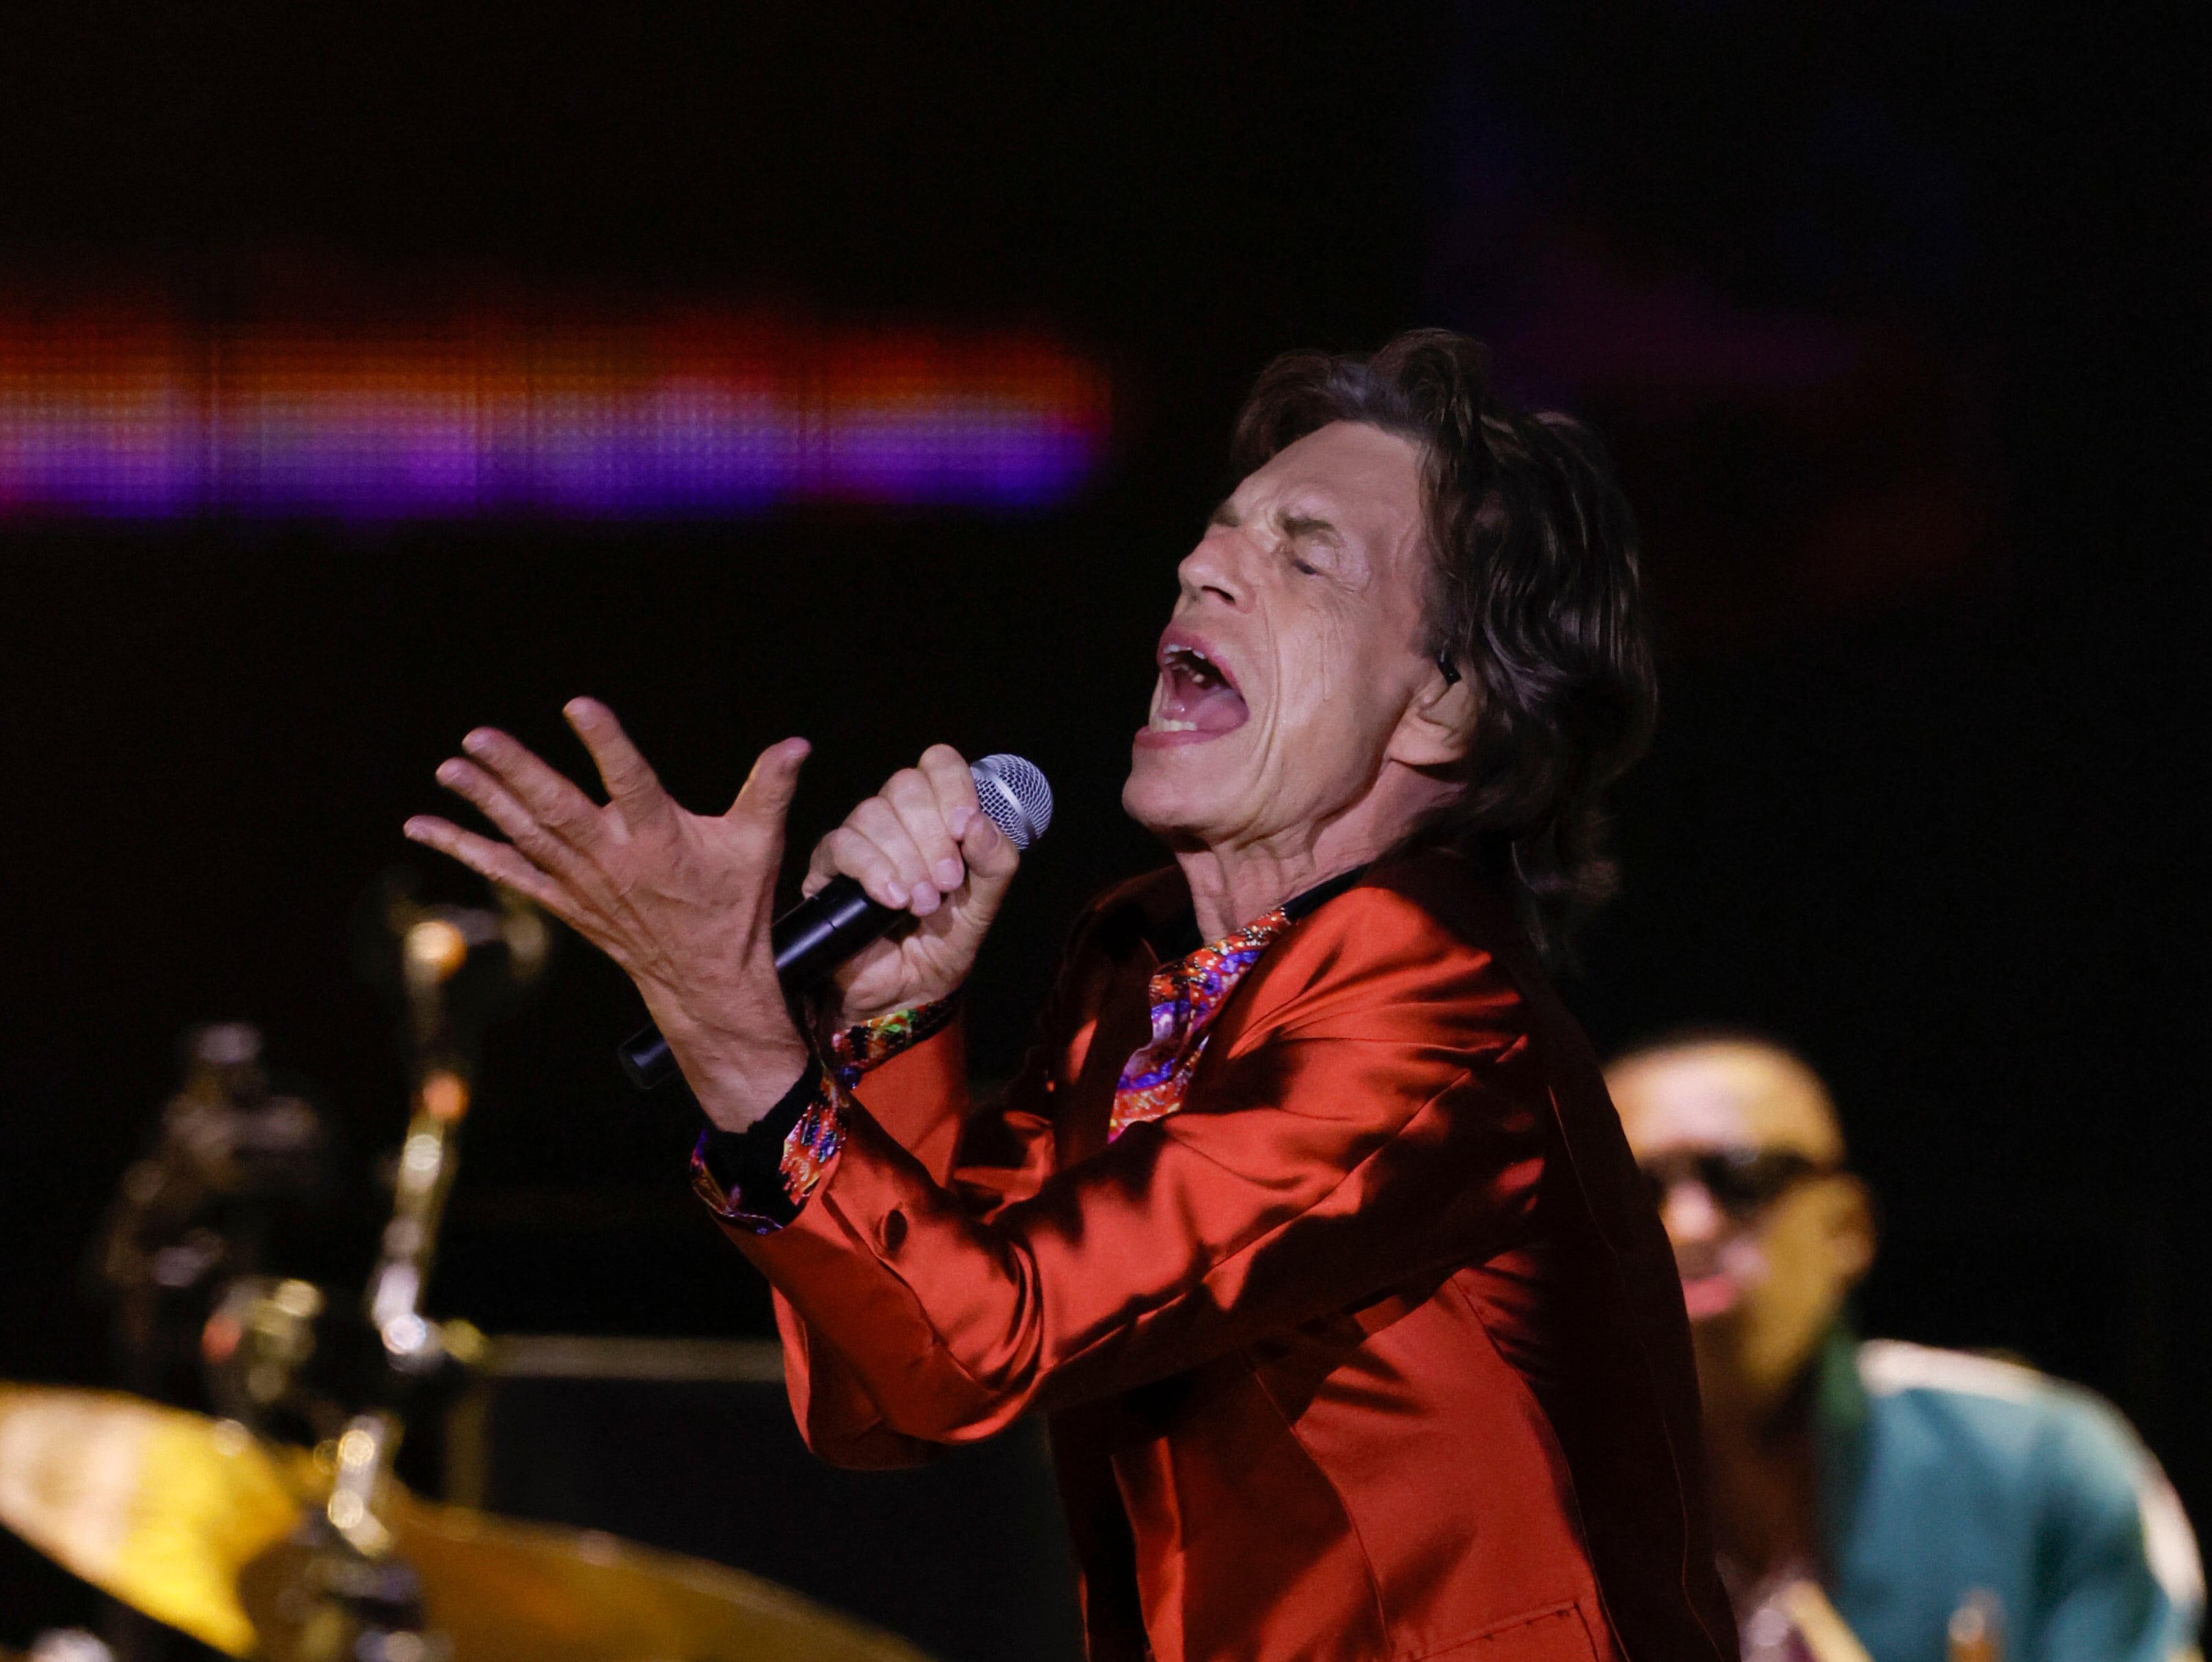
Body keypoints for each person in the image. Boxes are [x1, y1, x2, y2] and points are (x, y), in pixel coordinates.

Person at [404, 330, 1737, 1661]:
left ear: (1442, 705)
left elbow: (984, 1339)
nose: (1201, 565)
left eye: (1302, 553)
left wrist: (737, 1035)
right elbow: (892, 1389)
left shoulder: (1427, 997)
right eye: (1218, 533)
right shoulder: (1145, 973)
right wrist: (889, 1020)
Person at [1608, 1031, 2203, 1662]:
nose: (1686, 1224)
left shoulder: (2040, 1459)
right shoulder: (1529, 1496)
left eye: (1742, 1178)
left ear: (1847, 1229)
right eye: (1630, 1193)